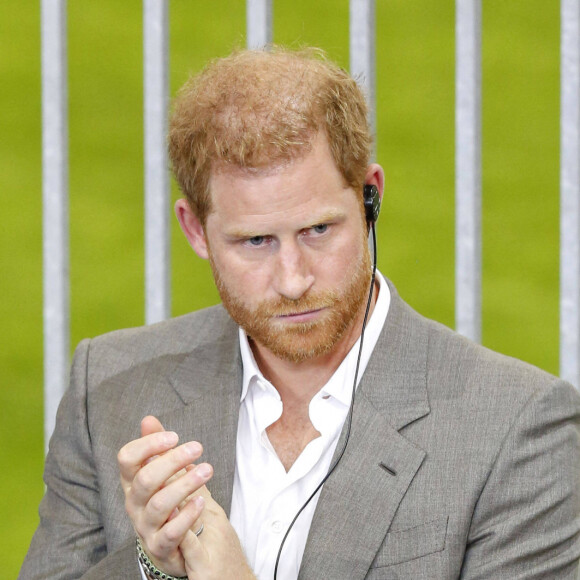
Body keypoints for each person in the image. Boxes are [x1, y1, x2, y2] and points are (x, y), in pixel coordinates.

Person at [20, 47, 580, 580]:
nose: (293, 281)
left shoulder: (519, 426)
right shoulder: (110, 386)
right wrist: (155, 569)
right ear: (195, 229)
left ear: (369, 199)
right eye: (255, 241)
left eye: (318, 230)